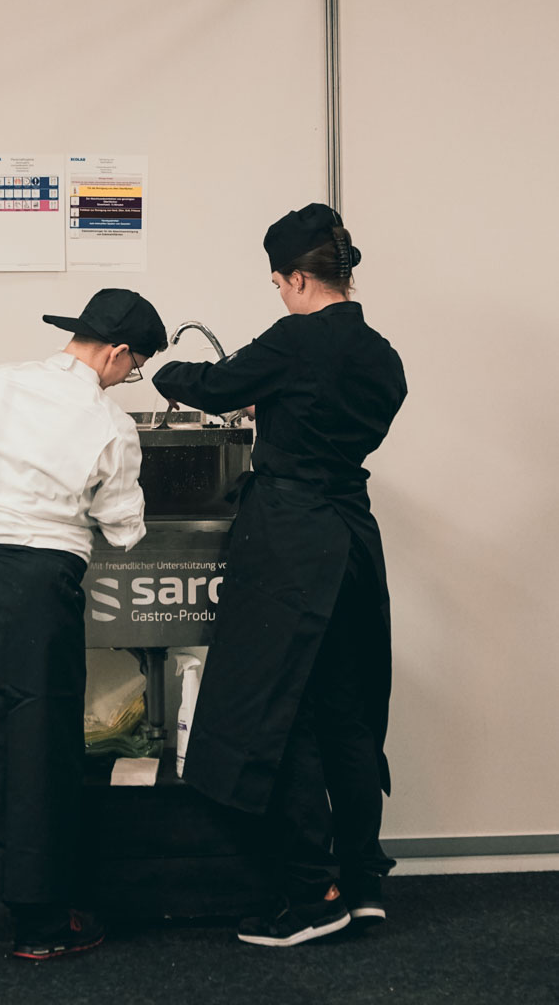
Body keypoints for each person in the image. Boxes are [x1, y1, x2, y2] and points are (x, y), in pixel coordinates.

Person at [153, 203, 407, 947]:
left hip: (291, 537)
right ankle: (361, 881)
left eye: (277, 283)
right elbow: (324, 418)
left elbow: (212, 384)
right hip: (352, 539)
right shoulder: (382, 354)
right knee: (348, 712)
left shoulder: (295, 339)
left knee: (278, 709)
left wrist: (164, 368)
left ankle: (310, 895)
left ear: (297, 277)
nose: (280, 295)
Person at [0, 288, 167, 960]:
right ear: (116, 353)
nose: (127, 377)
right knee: (36, 746)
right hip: (34, 581)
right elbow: (124, 529)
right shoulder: (109, 422)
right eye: (133, 368)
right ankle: (41, 925)